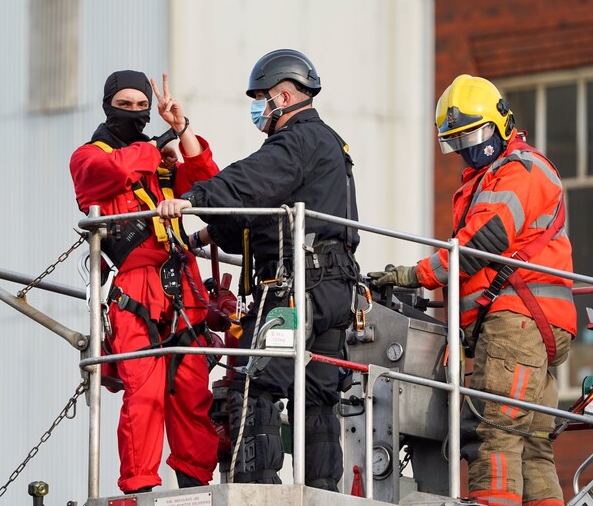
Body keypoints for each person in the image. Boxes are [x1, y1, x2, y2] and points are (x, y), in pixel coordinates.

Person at [157, 49, 361, 491]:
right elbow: (265, 218)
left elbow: (251, 182)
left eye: (260, 98)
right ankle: (322, 494)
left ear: (283, 96)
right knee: (318, 396)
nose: (257, 107)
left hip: (292, 290)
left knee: (254, 386)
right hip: (332, 290)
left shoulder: (298, 141)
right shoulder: (329, 145)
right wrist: (208, 234)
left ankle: (257, 492)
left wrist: (194, 200)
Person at [368, 74, 576, 506]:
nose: (467, 148)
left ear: (501, 123)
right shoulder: (501, 174)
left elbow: (483, 243)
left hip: (515, 324)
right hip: (530, 325)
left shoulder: (520, 171)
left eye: (474, 135)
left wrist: (413, 275)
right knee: (532, 445)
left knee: (493, 434)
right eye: (458, 140)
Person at [69, 70, 219, 494]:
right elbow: (111, 171)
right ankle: (139, 493)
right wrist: (155, 147)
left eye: (142, 106)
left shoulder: (161, 164)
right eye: (125, 104)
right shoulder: (89, 157)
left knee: (192, 392)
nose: (135, 113)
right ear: (108, 105)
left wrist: (180, 127)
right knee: (144, 395)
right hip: (136, 287)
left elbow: (209, 181)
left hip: (182, 284)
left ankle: (195, 489)